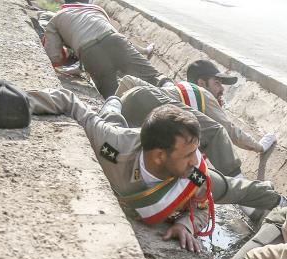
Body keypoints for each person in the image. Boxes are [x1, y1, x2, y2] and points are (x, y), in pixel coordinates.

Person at [29, 88, 283, 253]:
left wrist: (186, 224)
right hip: (125, 139)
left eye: (196, 152)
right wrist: (20, 103)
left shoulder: (194, 173)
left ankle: (279, 201)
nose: (196, 161)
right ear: (160, 156)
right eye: (186, 155)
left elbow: (203, 206)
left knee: (231, 188)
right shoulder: (114, 149)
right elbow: (69, 101)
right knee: (111, 120)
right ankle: (114, 100)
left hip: (158, 158)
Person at [116, 60, 278, 176]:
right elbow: (229, 130)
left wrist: (112, 105)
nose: (222, 89)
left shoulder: (179, 92)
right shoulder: (203, 94)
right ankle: (246, 202)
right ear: (202, 83)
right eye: (217, 83)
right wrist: (259, 146)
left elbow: (128, 81)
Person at [41, 2, 162, 97]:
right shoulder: (94, 10)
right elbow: (119, 39)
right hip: (115, 41)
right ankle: (177, 98)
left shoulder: (55, 20)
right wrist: (146, 51)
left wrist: (66, 55)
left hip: (90, 54)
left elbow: (53, 56)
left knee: (114, 98)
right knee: (155, 79)